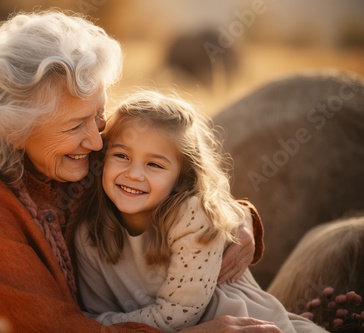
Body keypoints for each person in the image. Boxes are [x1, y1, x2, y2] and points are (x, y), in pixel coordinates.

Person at [0, 10, 276, 333]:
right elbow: (52, 328)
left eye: (99, 115)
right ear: (15, 128)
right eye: (75, 126)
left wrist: (236, 219)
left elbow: (173, 187)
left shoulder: (80, 153)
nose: (97, 140)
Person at [74, 91, 326, 333]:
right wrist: (98, 323)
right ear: (103, 158)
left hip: (248, 324)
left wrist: (102, 324)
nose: (134, 174)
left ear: (182, 177)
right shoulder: (88, 235)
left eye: (154, 164)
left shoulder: (193, 216)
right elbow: (95, 315)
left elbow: (177, 315)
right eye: (121, 155)